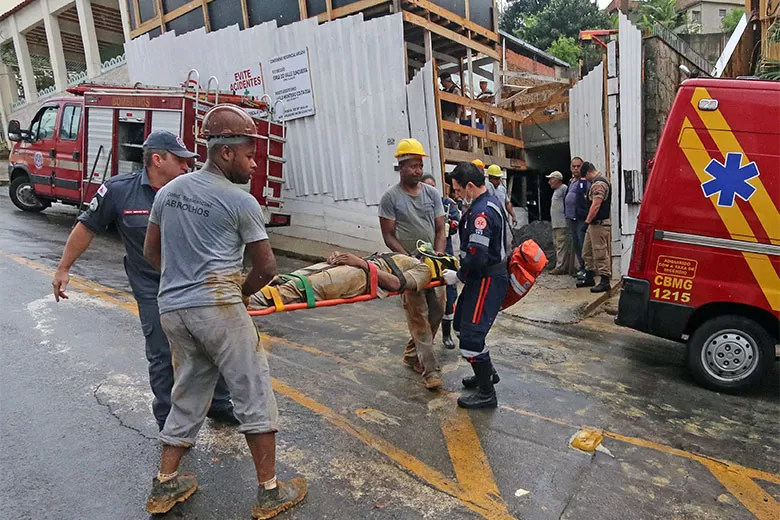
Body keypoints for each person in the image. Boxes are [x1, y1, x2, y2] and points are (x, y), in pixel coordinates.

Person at [142, 104, 307, 517]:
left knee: (189, 390)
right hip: (217, 307)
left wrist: (182, 282)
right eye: (250, 155)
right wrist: (241, 297)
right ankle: (270, 491)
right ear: (226, 152)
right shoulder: (240, 200)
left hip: (172, 309)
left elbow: (151, 253)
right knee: (254, 392)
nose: (254, 165)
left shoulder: (168, 192)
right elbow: (267, 267)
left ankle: (165, 485)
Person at [51, 131, 237, 431]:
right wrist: (63, 268)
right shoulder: (119, 191)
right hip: (152, 287)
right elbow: (87, 227)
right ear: (156, 159)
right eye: (179, 160)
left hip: (195, 282)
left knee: (211, 343)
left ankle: (219, 404)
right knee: (162, 353)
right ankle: (168, 421)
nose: (187, 167)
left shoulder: (192, 190)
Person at [379, 138, 447, 389]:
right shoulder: (390, 198)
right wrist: (407, 259)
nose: (417, 171)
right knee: (419, 315)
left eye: (420, 165)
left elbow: (441, 228)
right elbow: (388, 236)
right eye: (412, 166)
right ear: (401, 166)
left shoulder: (432, 194)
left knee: (438, 309)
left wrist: (438, 257)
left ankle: (412, 353)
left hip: (432, 263)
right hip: (408, 266)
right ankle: (430, 370)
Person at [442, 162, 508, 409]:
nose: (456, 195)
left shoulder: (482, 212)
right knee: (460, 325)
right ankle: (486, 372)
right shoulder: (484, 203)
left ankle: (487, 394)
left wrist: (458, 276)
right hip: (481, 277)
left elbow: (478, 255)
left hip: (485, 278)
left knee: (470, 337)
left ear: (470, 186)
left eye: (458, 190)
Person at [248, 250, 457, 309]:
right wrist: (340, 257)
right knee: (294, 276)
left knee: (304, 287)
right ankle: (244, 290)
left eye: (440, 256)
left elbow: (396, 284)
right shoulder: (405, 256)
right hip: (359, 267)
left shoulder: (424, 270)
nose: (434, 252)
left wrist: (362, 264)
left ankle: (249, 301)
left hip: (362, 277)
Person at [422, 173, 460, 349]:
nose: (429, 191)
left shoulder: (447, 204)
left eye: (432, 187)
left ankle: (446, 335)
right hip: (424, 258)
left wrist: (448, 225)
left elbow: (455, 225)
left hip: (444, 257)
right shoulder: (418, 207)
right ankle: (425, 337)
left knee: (449, 295)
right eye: (426, 187)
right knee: (425, 298)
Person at [576, 162, 612, 293]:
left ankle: (605, 281)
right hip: (594, 224)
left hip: (599, 224)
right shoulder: (597, 182)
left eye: (585, 176)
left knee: (600, 252)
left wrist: (586, 222)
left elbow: (596, 205)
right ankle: (589, 277)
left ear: (587, 172)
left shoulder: (598, 184)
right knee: (587, 252)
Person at [564, 157, 590, 279]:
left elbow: (585, 198)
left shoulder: (584, 182)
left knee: (582, 243)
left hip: (580, 218)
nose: (575, 169)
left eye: (578, 166)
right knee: (577, 244)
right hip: (571, 217)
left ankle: (587, 269)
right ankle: (582, 267)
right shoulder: (572, 181)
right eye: (573, 166)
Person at [547, 171, 573, 275]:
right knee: (558, 245)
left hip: (562, 223)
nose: (549, 182)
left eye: (551, 179)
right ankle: (561, 265)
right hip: (556, 223)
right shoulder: (557, 190)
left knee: (561, 245)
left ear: (557, 179)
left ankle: (561, 267)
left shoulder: (563, 189)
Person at [440, 73, 464, 149]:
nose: (441, 83)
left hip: (452, 116)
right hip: (444, 117)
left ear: (446, 81)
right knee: (445, 139)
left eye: (442, 81)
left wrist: (457, 118)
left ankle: (457, 158)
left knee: (454, 139)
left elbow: (459, 105)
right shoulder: (443, 92)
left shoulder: (455, 90)